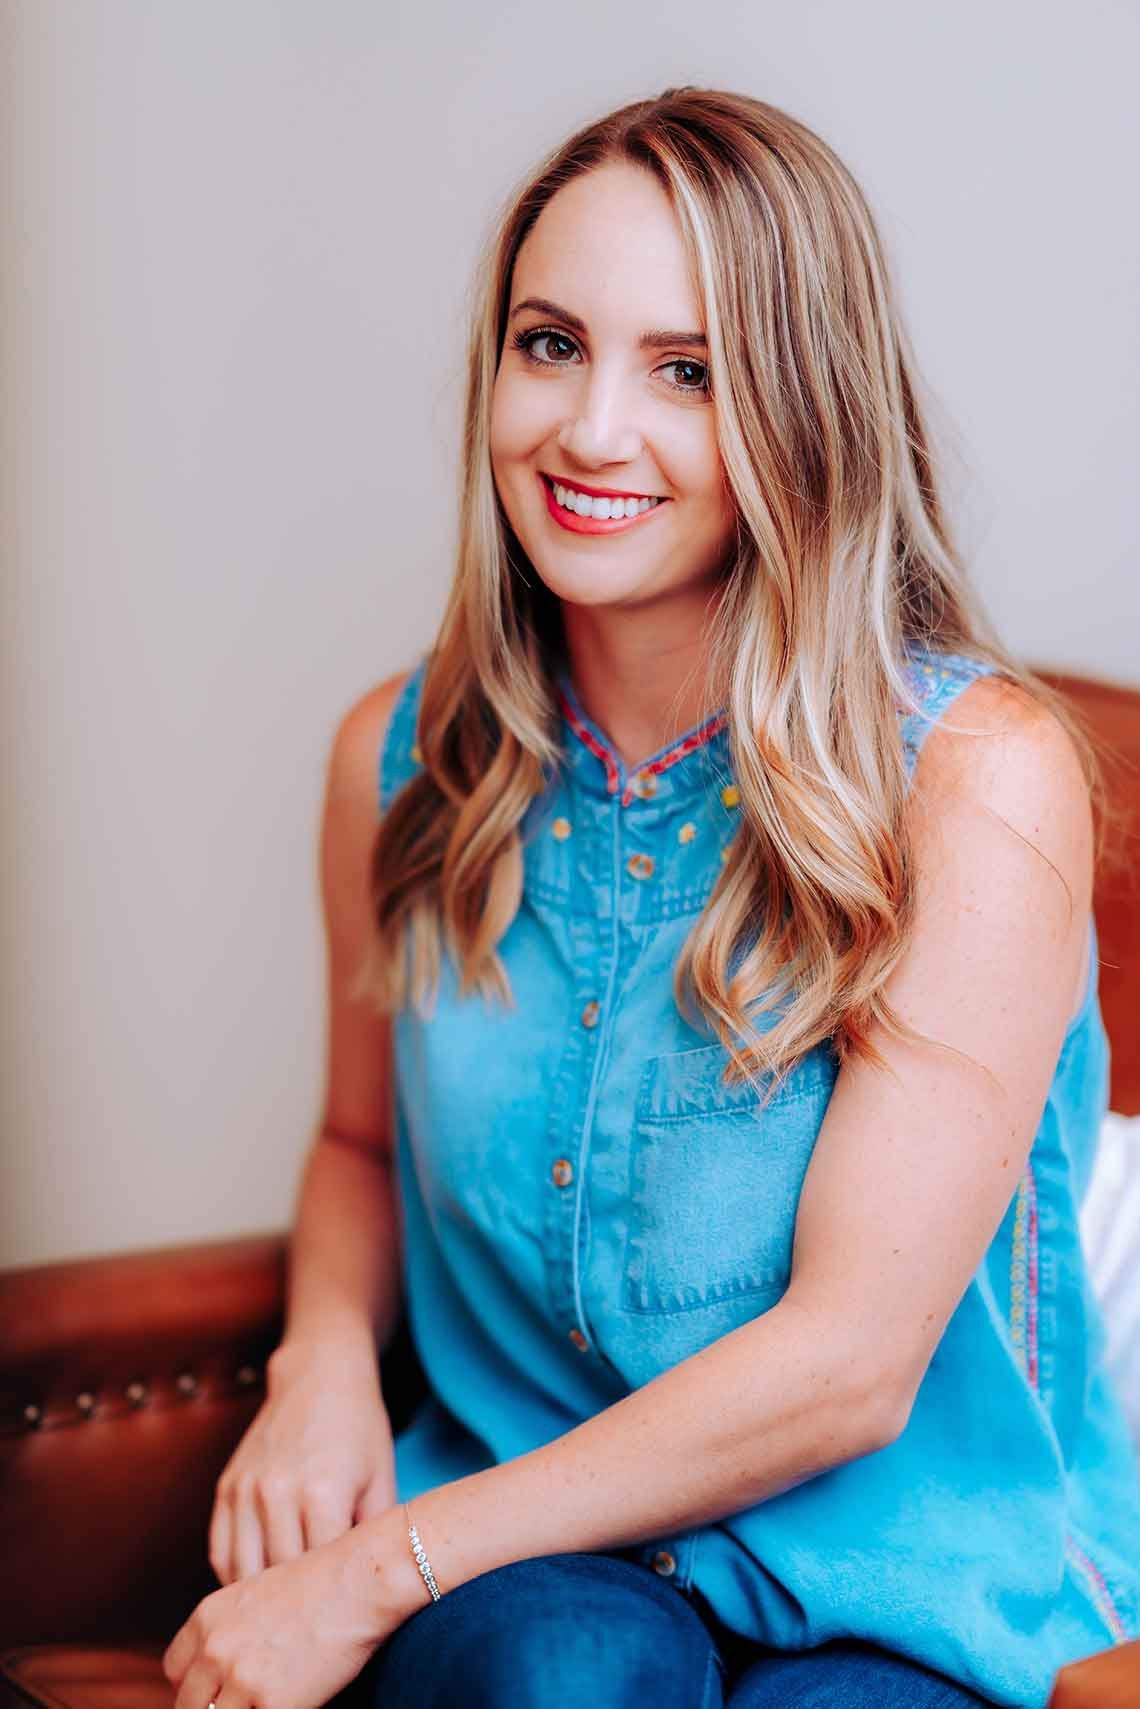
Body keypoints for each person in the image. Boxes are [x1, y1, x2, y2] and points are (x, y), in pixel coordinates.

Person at [162, 87, 1140, 1709]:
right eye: (550, 345)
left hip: (894, 1572)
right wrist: (319, 1363)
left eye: (689, 370)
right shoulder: (398, 765)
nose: (592, 431)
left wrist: (372, 1570)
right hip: (526, 1545)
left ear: (807, 407)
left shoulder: (979, 779)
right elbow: (356, 1145)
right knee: (561, 1668)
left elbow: (848, 1364)